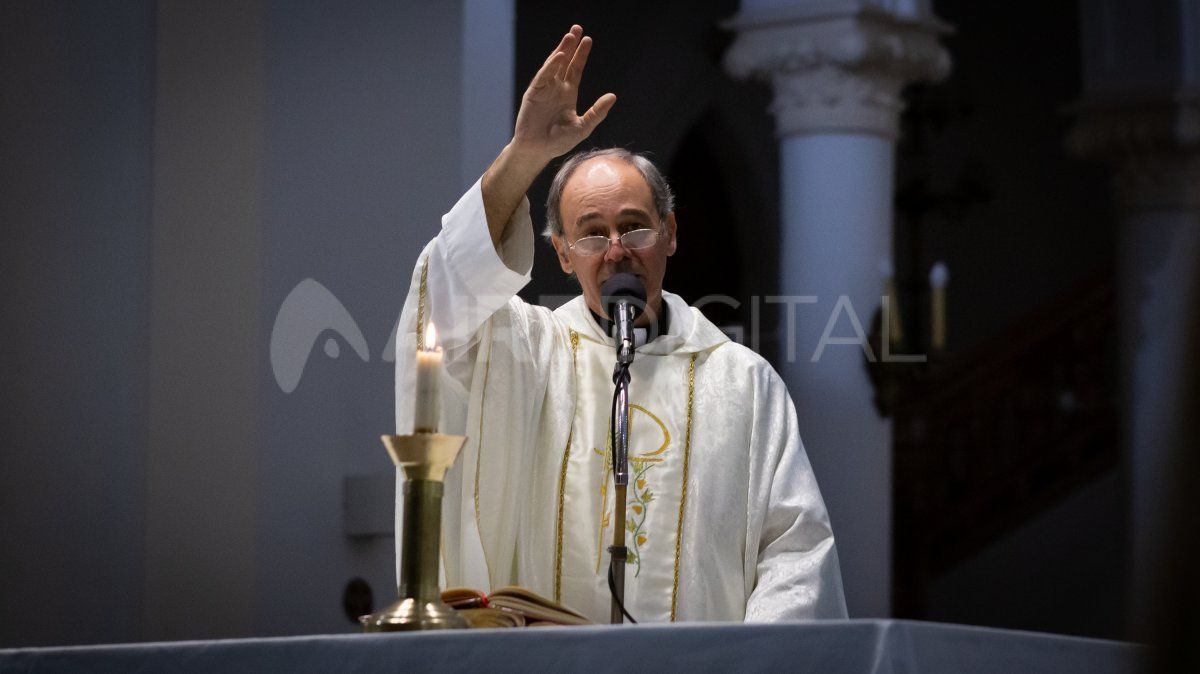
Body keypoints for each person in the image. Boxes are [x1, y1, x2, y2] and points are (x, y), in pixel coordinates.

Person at [395, 25, 846, 622]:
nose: (615, 251)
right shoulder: (526, 353)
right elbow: (444, 296)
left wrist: (745, 659)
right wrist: (525, 154)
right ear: (562, 253)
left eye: (634, 227)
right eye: (591, 233)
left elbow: (795, 551)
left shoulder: (742, 382)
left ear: (670, 233)